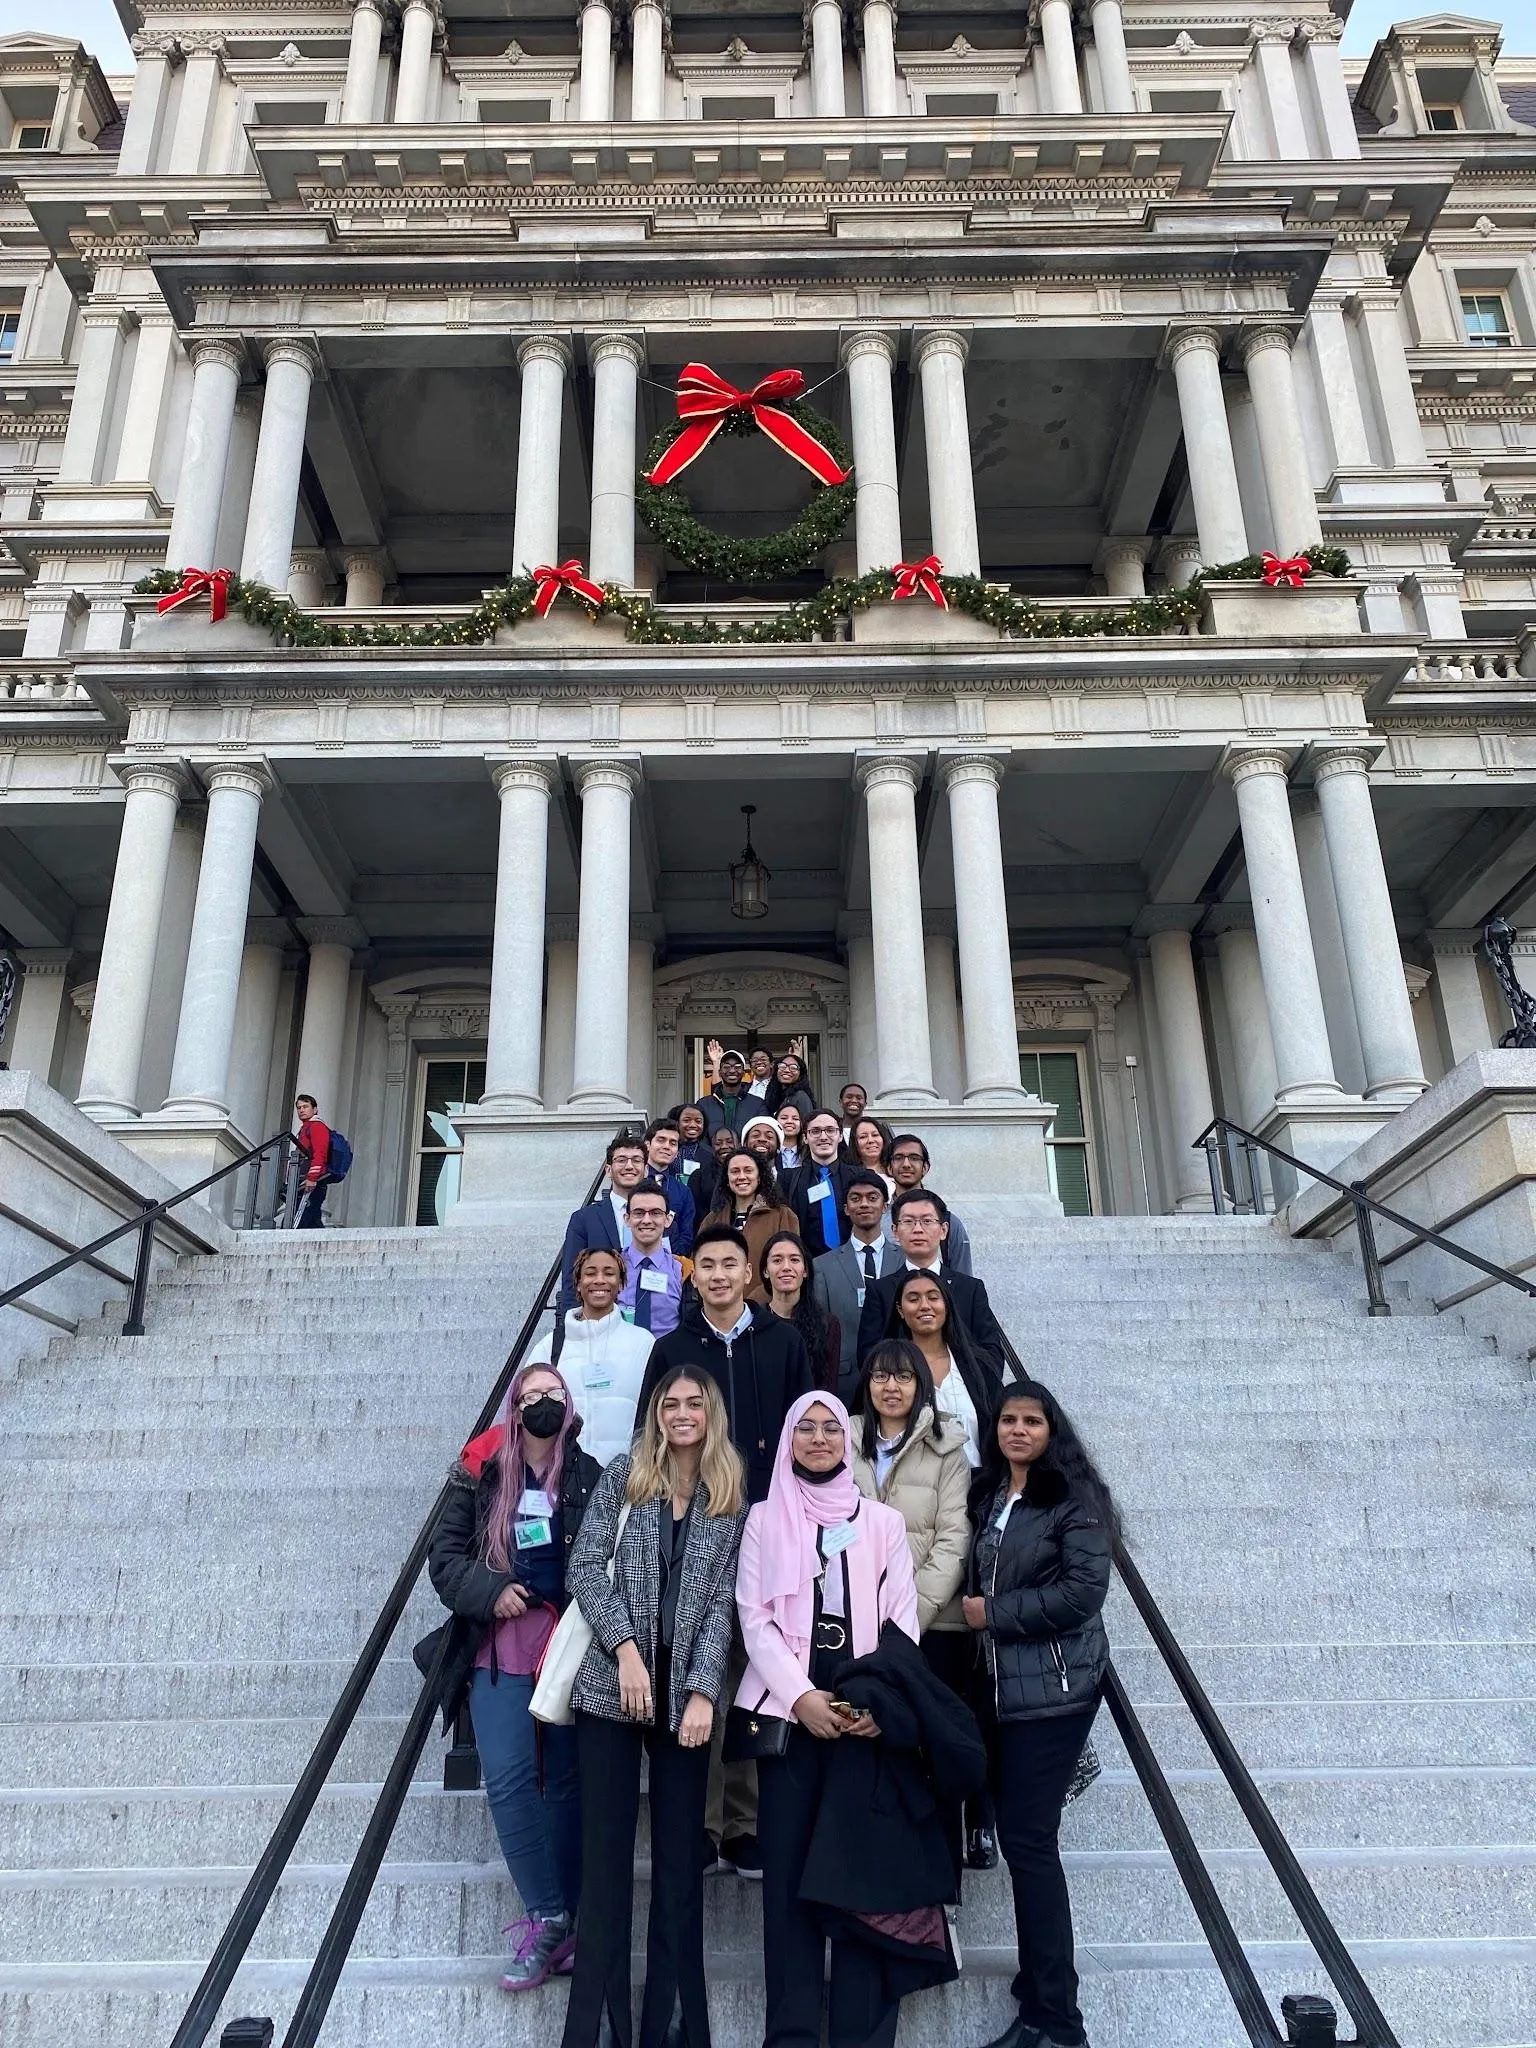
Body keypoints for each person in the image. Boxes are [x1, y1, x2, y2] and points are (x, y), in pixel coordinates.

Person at [735, 1392, 931, 2048]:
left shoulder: (881, 1522)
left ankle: (858, 2033)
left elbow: (902, 1620)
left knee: (859, 1878)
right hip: (792, 1714)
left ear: (845, 1442)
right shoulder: (764, 1518)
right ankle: (790, 2033)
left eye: (830, 1428)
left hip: (863, 1707)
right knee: (787, 1880)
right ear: (789, 1439)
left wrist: (878, 1703)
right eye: (806, 1428)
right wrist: (800, 1698)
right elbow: (754, 1620)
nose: (819, 1438)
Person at [561, 1371, 747, 2048]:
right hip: (613, 1688)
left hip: (685, 1703)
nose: (682, 1413)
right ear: (655, 1414)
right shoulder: (624, 1475)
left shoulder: (728, 1496)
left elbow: (724, 1602)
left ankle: (672, 2023)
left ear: (711, 1413)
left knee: (679, 1866)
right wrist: (628, 1651)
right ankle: (600, 2025)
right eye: (670, 1404)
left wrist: (703, 1691)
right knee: (605, 1862)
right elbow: (583, 1569)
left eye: (694, 1403)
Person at [428, 1360, 602, 1991]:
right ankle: (548, 1915)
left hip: (569, 1647)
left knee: (565, 1781)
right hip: (497, 1648)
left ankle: (566, 1924)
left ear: (570, 1404)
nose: (543, 1405)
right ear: (514, 1406)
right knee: (506, 1776)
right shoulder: (481, 1472)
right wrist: (490, 1589)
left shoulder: (591, 1475)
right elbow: (444, 1559)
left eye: (553, 1395)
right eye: (532, 1397)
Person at [962, 1383, 1116, 2048]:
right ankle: (1039, 1991)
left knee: (1029, 1845)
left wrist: (993, 1614)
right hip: (1004, 1691)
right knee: (1025, 1843)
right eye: (1008, 1420)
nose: (1018, 1431)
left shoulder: (1071, 1501)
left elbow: (1083, 1593)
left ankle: (1056, 2020)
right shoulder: (994, 1496)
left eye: (1032, 1421)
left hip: (1054, 1693)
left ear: (1053, 1431)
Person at [851, 1338, 986, 1878]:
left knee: (930, 1756)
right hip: (859, 1629)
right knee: (873, 1758)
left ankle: (940, 1893)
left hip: (932, 1629)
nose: (891, 1387)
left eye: (903, 1377)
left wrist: (907, 1619)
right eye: (881, 1376)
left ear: (920, 1385)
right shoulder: (844, 1441)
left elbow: (954, 1538)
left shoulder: (947, 1445)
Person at [859, 1190, 1006, 1380]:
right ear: (895, 1231)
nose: (918, 1229)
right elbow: (868, 1355)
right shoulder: (880, 1290)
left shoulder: (970, 1288)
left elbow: (992, 1352)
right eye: (908, 1221)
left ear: (944, 1230)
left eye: (927, 1221)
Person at [527, 1245, 653, 1466]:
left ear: (621, 1283)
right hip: (564, 1476)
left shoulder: (643, 1343)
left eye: (609, 1273)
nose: (599, 1280)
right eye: (590, 1273)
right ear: (578, 1282)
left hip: (625, 1477)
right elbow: (523, 1406)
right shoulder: (550, 1346)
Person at [812, 1172, 906, 1404]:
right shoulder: (822, 1265)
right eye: (856, 1198)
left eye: (872, 1197)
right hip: (844, 1382)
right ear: (846, 1208)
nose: (864, 1204)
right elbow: (820, 1331)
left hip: (900, 1380)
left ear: (885, 1206)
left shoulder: (906, 1260)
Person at [560, 1133, 649, 1312]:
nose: (629, 1166)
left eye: (636, 1160)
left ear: (646, 1170)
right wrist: (572, 1322)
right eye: (621, 1160)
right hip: (599, 1317)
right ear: (608, 1170)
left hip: (650, 1316)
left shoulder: (659, 1216)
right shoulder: (584, 1219)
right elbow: (571, 1278)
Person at [699, 1150, 800, 1302]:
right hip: (720, 1307)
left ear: (759, 1177)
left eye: (748, 1170)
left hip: (767, 1308)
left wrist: (756, 1300)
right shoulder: (712, 1220)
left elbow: (789, 1266)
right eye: (734, 1171)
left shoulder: (783, 1216)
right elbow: (700, 1263)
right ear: (727, 1179)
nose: (741, 1176)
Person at [761, 1230, 840, 1394]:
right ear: (766, 1271)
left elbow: (827, 1387)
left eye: (795, 1260)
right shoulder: (755, 1322)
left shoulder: (826, 1324)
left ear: (805, 1270)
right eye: (777, 1260)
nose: (786, 1267)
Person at [887, 1134, 974, 1276]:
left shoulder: (949, 1221)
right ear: (889, 1168)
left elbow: (963, 1280)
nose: (906, 1164)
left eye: (914, 1158)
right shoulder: (878, 1220)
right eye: (898, 1158)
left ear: (925, 1167)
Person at [619, 1182, 690, 1340]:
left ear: (668, 1219)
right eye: (638, 1213)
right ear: (627, 1218)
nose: (646, 1220)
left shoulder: (683, 1271)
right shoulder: (611, 1267)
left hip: (666, 1358)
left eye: (655, 1213)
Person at [787, 1109, 861, 1258]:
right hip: (809, 1263)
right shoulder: (788, 1180)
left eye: (830, 1130)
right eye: (815, 1131)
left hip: (853, 1260)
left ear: (840, 1136)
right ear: (805, 1138)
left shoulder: (860, 1177)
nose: (823, 1137)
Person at [643, 1117, 698, 1257]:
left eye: (673, 1143)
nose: (667, 1146)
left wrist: (671, 1259)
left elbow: (687, 1234)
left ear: (677, 1152)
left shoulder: (683, 1191)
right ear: (647, 1145)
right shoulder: (632, 1182)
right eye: (661, 1140)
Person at [293, 1095, 333, 1229]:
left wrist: (312, 1178)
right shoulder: (305, 1128)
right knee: (311, 1219)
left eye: (305, 1107)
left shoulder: (316, 1127)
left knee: (300, 1220)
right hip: (304, 1180)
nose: (301, 1110)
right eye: (299, 1108)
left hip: (311, 1181)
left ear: (315, 1109)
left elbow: (320, 1153)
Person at [696, 1048, 755, 1139]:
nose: (732, 1070)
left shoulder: (757, 1103)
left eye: (737, 1067)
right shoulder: (703, 1104)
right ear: (719, 1072)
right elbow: (700, 1137)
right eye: (726, 1067)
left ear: (743, 1073)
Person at [846, 1115, 897, 1195]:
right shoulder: (847, 1174)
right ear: (855, 1143)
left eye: (875, 1135)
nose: (870, 1140)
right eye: (863, 1137)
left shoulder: (896, 1169)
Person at [764, 1052, 816, 1127]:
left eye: (793, 1068)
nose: (787, 1070)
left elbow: (806, 1127)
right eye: (782, 1066)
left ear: (800, 1074)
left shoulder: (801, 1096)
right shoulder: (774, 1095)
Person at [673, 1103, 713, 1193]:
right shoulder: (668, 1149)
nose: (692, 1125)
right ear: (677, 1122)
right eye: (686, 1120)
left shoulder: (709, 1154)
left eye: (698, 1121)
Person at [776, 1103, 805, 1172]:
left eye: (795, 1119)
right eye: (784, 1118)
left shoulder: (808, 1153)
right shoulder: (769, 1152)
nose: (789, 1121)